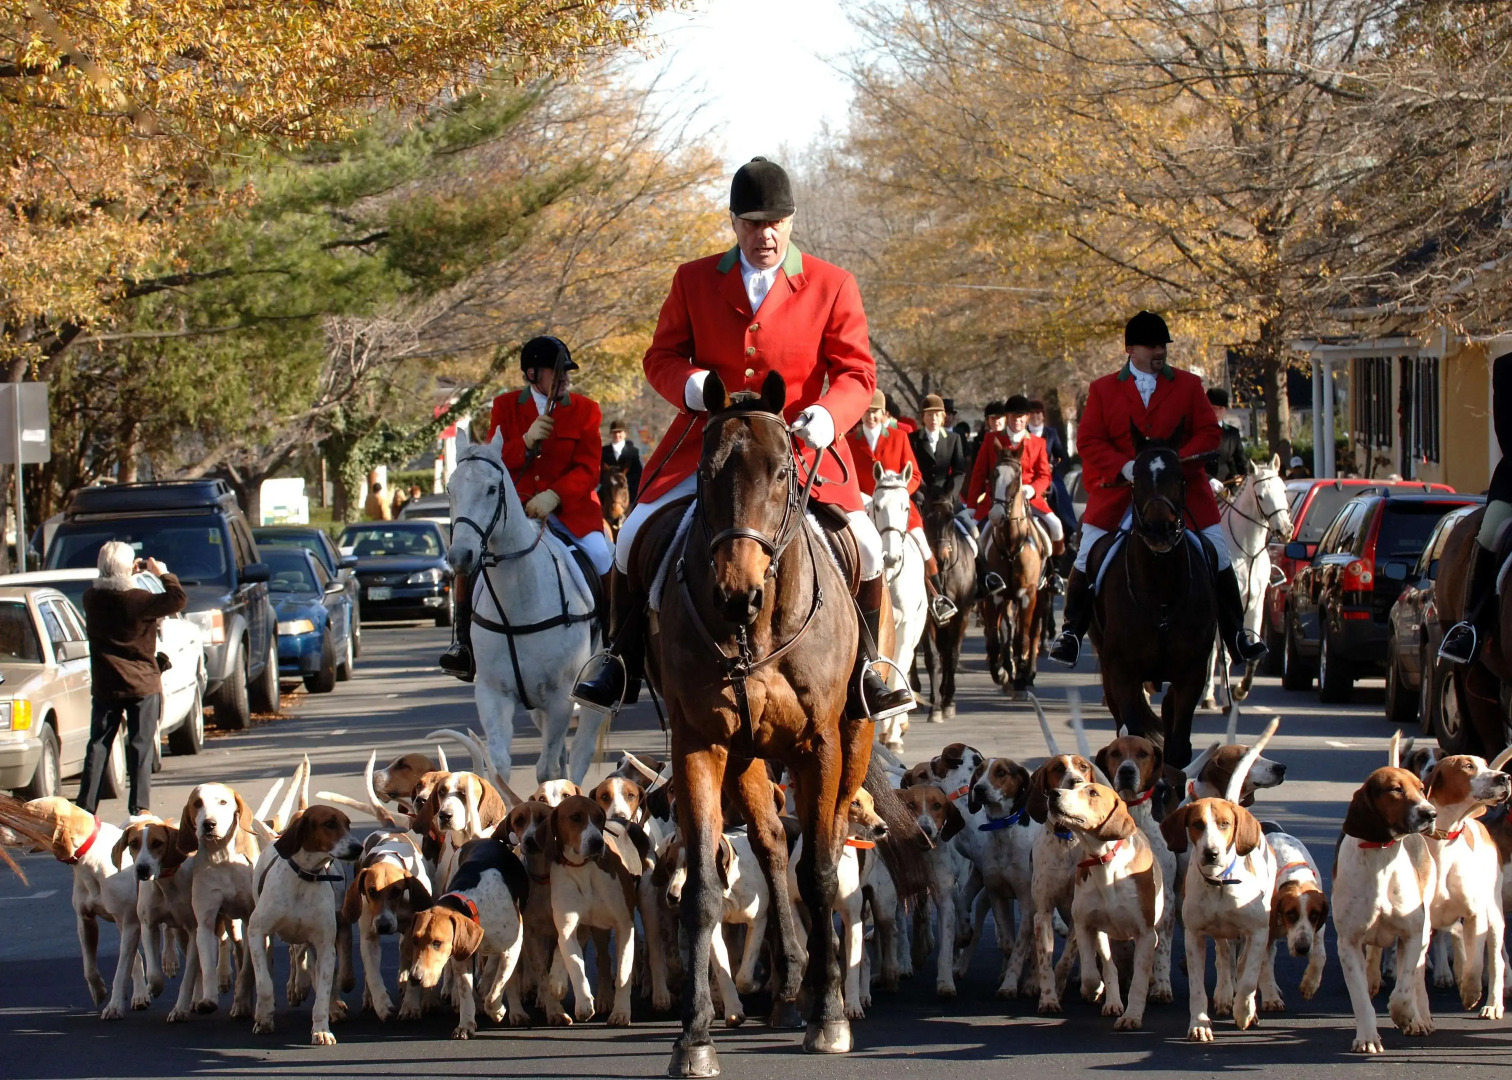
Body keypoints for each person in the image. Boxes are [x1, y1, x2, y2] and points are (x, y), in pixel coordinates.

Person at [571, 156, 913, 722]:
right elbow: (660, 357)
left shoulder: (832, 284)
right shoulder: (694, 279)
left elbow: (858, 373)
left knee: (869, 545)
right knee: (631, 536)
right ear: (734, 223)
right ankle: (621, 658)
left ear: (792, 221)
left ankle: (869, 670)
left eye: (776, 221)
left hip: (799, 449)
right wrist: (693, 384)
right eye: (753, 222)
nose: (766, 233)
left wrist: (829, 416)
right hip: (709, 448)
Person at [1047, 311, 1267, 667]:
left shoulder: (1189, 385)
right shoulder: (1102, 389)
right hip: (1121, 489)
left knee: (1219, 552)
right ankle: (1071, 633)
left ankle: (1236, 635)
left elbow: (1210, 433)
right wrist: (1125, 465)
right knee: (1087, 553)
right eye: (1151, 345)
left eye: (1163, 344)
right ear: (1130, 349)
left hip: (1180, 490)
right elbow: (1088, 440)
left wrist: (1171, 463)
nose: (1159, 351)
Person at [438, 335, 609, 681]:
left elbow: (589, 468)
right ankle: (463, 645)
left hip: (570, 511)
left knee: (604, 557)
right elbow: (491, 463)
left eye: (567, 373)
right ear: (532, 374)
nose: (565, 379)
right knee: (471, 563)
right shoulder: (505, 407)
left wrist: (555, 495)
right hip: (515, 512)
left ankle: (612, 649)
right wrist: (525, 442)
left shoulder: (586, 410)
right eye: (556, 372)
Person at [77, 542, 187, 815]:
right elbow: (177, 599)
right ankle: (139, 809)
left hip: (106, 685)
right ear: (129, 569)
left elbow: (112, 585)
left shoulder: (91, 599)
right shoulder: (139, 600)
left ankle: (86, 807)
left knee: (99, 745)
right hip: (142, 684)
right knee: (140, 747)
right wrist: (162, 574)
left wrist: (127, 572)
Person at [847, 390, 957, 623]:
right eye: (866, 412)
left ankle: (938, 599)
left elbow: (915, 474)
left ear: (883, 413)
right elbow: (846, 477)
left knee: (925, 548)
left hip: (898, 510)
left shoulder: (899, 437)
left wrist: (899, 493)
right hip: (862, 510)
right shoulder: (849, 441)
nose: (871, 416)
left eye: (875, 412)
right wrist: (863, 497)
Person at [1440, 352, 1512, 664]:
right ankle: (1470, 625)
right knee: (1490, 533)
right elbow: (1507, 432)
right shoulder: (1507, 368)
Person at [965, 393, 1066, 594]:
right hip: (996, 501)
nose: (1017, 420)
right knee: (974, 534)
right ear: (1007, 417)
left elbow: (1045, 475)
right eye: (1013, 416)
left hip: (1030, 500)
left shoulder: (1037, 443)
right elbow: (978, 473)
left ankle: (1053, 575)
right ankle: (980, 577)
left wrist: (1032, 489)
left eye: (1021, 416)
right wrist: (971, 505)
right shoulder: (992, 439)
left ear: (1027, 418)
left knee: (1056, 528)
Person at [1028, 398, 1078, 539]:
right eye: (1032, 413)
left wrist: (1053, 466)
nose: (1035, 416)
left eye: (1038, 413)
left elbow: (1061, 455)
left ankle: (1070, 527)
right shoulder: (1024, 433)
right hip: (1028, 474)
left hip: (1047, 473)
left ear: (1043, 415)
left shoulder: (1051, 433)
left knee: (1058, 488)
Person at [1205, 387, 1251, 487]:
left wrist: (1243, 476)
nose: (1216, 413)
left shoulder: (1232, 433)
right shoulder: (1196, 430)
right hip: (1202, 485)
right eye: (1213, 408)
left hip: (1227, 487)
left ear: (1225, 410)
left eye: (1220, 408)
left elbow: (1240, 461)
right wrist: (1208, 479)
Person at [602, 419, 643, 500]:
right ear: (611, 434)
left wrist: (624, 483)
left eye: (619, 432)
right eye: (614, 432)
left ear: (625, 433)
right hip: (608, 492)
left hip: (628, 491)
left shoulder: (633, 452)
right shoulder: (604, 451)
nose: (617, 435)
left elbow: (638, 474)